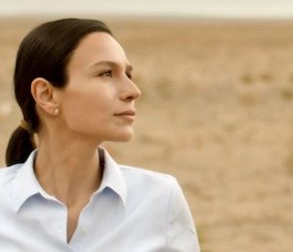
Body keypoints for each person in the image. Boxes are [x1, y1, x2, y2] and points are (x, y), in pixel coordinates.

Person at [0, 18, 200, 251]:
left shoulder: (160, 200)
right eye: (106, 73)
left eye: (128, 74)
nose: (133, 91)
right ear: (47, 95)